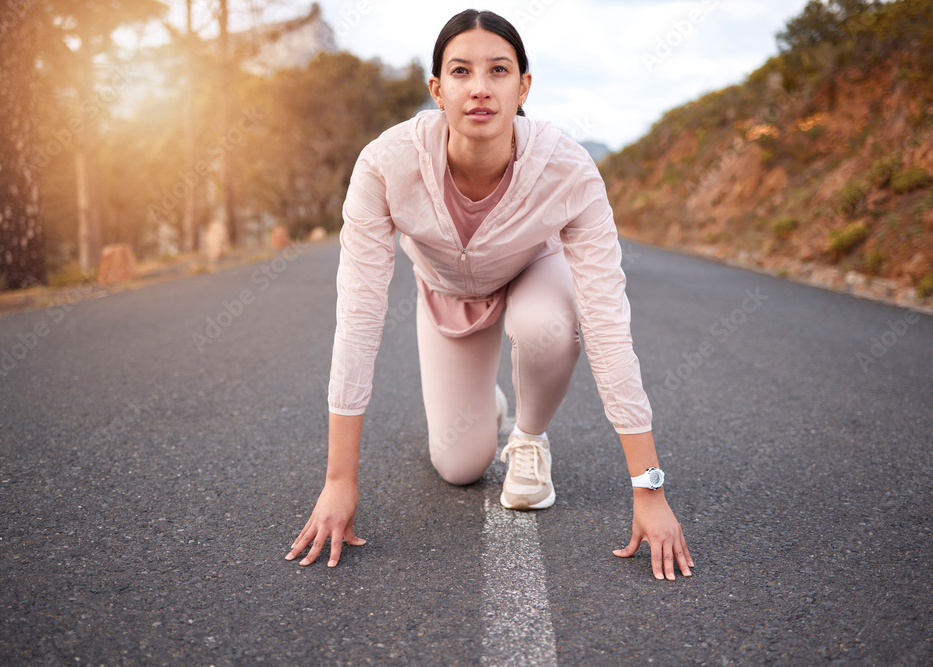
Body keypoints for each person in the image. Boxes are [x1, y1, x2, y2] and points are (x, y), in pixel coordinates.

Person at [285, 9, 694, 580]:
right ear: (438, 89)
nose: (479, 88)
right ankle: (488, 410)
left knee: (547, 327)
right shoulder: (385, 165)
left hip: (534, 273)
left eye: (498, 70)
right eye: (460, 72)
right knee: (459, 465)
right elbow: (358, 319)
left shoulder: (568, 170)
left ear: (523, 86)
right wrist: (338, 482)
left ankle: (528, 436)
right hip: (448, 294)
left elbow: (606, 323)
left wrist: (648, 490)